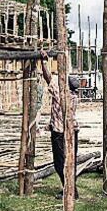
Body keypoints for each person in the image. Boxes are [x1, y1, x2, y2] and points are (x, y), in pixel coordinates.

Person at [39, 50, 79, 199]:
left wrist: (44, 62)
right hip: (73, 131)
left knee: (60, 163)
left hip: (60, 132)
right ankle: (71, 190)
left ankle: (69, 191)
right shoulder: (75, 97)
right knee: (71, 162)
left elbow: (48, 78)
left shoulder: (61, 94)